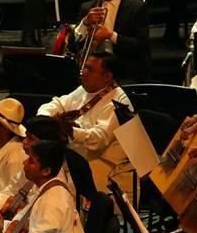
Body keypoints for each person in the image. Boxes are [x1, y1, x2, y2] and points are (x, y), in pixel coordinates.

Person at [37, 52, 134, 197]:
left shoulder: (118, 102)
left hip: (104, 165)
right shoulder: (85, 89)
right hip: (76, 157)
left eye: (90, 69)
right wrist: (46, 120)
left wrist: (71, 131)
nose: (83, 73)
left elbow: (99, 139)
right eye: (84, 68)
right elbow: (58, 104)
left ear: (107, 76)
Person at [75, 0, 151, 81]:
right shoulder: (87, 7)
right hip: (93, 71)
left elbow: (141, 46)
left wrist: (110, 35)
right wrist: (85, 22)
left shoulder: (137, 7)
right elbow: (74, 44)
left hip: (125, 71)